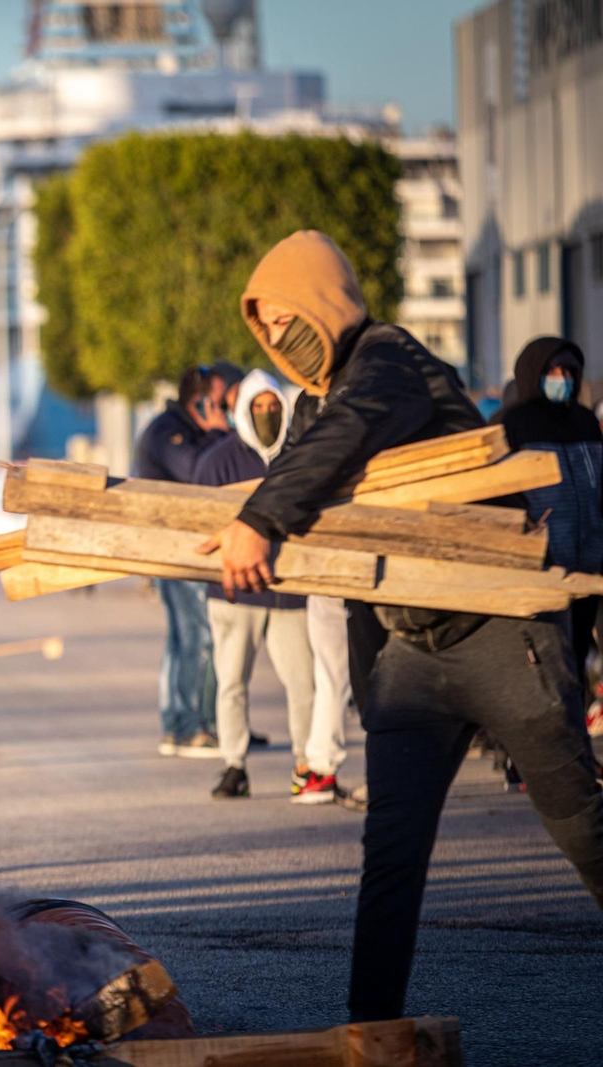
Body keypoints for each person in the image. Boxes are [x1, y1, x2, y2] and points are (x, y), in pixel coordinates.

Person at [196, 229, 603, 1022]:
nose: (280, 338)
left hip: (500, 635)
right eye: (266, 330)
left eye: (286, 317)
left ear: (324, 299)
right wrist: (373, 688)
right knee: (390, 859)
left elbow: (353, 431)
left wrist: (261, 520)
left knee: (582, 826)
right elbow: (317, 501)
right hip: (415, 656)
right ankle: (371, 1032)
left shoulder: (391, 362)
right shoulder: (318, 403)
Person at [192, 370, 320, 800]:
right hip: (235, 591)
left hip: (288, 590)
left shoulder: (302, 456)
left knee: (303, 682)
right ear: (243, 409)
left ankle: (307, 763)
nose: (267, 414)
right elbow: (198, 523)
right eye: (258, 407)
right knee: (231, 681)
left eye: (273, 407)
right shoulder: (218, 461)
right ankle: (234, 764)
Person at [136, 363, 241, 758]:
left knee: (187, 638)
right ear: (197, 401)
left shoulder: (180, 428)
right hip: (176, 554)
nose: (223, 412)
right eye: (215, 404)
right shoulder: (169, 431)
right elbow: (200, 474)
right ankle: (187, 728)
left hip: (185, 551)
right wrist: (218, 434)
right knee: (195, 638)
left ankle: (200, 724)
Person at [495, 337, 603, 678]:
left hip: (589, 561)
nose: (562, 378)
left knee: (579, 656)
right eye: (553, 371)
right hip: (544, 565)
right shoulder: (512, 424)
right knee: (546, 663)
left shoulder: (585, 421)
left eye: (569, 371)